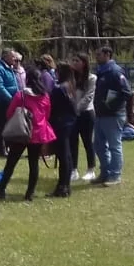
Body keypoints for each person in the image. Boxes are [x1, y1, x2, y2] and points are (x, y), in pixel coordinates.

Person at [0, 67, 56, 201]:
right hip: (38, 133)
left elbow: (10, 112)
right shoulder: (45, 96)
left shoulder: (21, 95)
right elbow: (47, 114)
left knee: (11, 162)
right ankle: (29, 193)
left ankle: (1, 190)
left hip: (22, 132)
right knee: (33, 164)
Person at [92, 46, 132, 186]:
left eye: (99, 54)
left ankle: (115, 175)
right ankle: (105, 173)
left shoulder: (115, 71)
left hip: (113, 115)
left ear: (107, 54)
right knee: (98, 145)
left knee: (114, 146)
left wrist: (111, 105)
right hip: (100, 115)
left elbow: (126, 92)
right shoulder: (101, 71)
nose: (96, 57)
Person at [48, 63, 77, 197]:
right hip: (69, 123)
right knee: (67, 155)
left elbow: (52, 106)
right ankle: (66, 185)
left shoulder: (59, 89)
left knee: (63, 156)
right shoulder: (70, 86)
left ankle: (62, 186)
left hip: (60, 123)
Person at [71, 53, 98, 182]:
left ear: (84, 63)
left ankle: (91, 169)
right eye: (73, 60)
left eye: (77, 61)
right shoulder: (71, 77)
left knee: (87, 142)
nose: (74, 63)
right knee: (72, 142)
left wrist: (77, 108)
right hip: (72, 114)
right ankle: (73, 169)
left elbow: (89, 96)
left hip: (86, 113)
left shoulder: (92, 78)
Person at [0, 49, 21, 158]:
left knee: (10, 126)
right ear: (5, 57)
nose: (14, 59)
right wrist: (10, 99)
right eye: (12, 56)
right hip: (3, 102)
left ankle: (9, 147)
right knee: (2, 126)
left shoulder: (9, 68)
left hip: (12, 101)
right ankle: (1, 150)